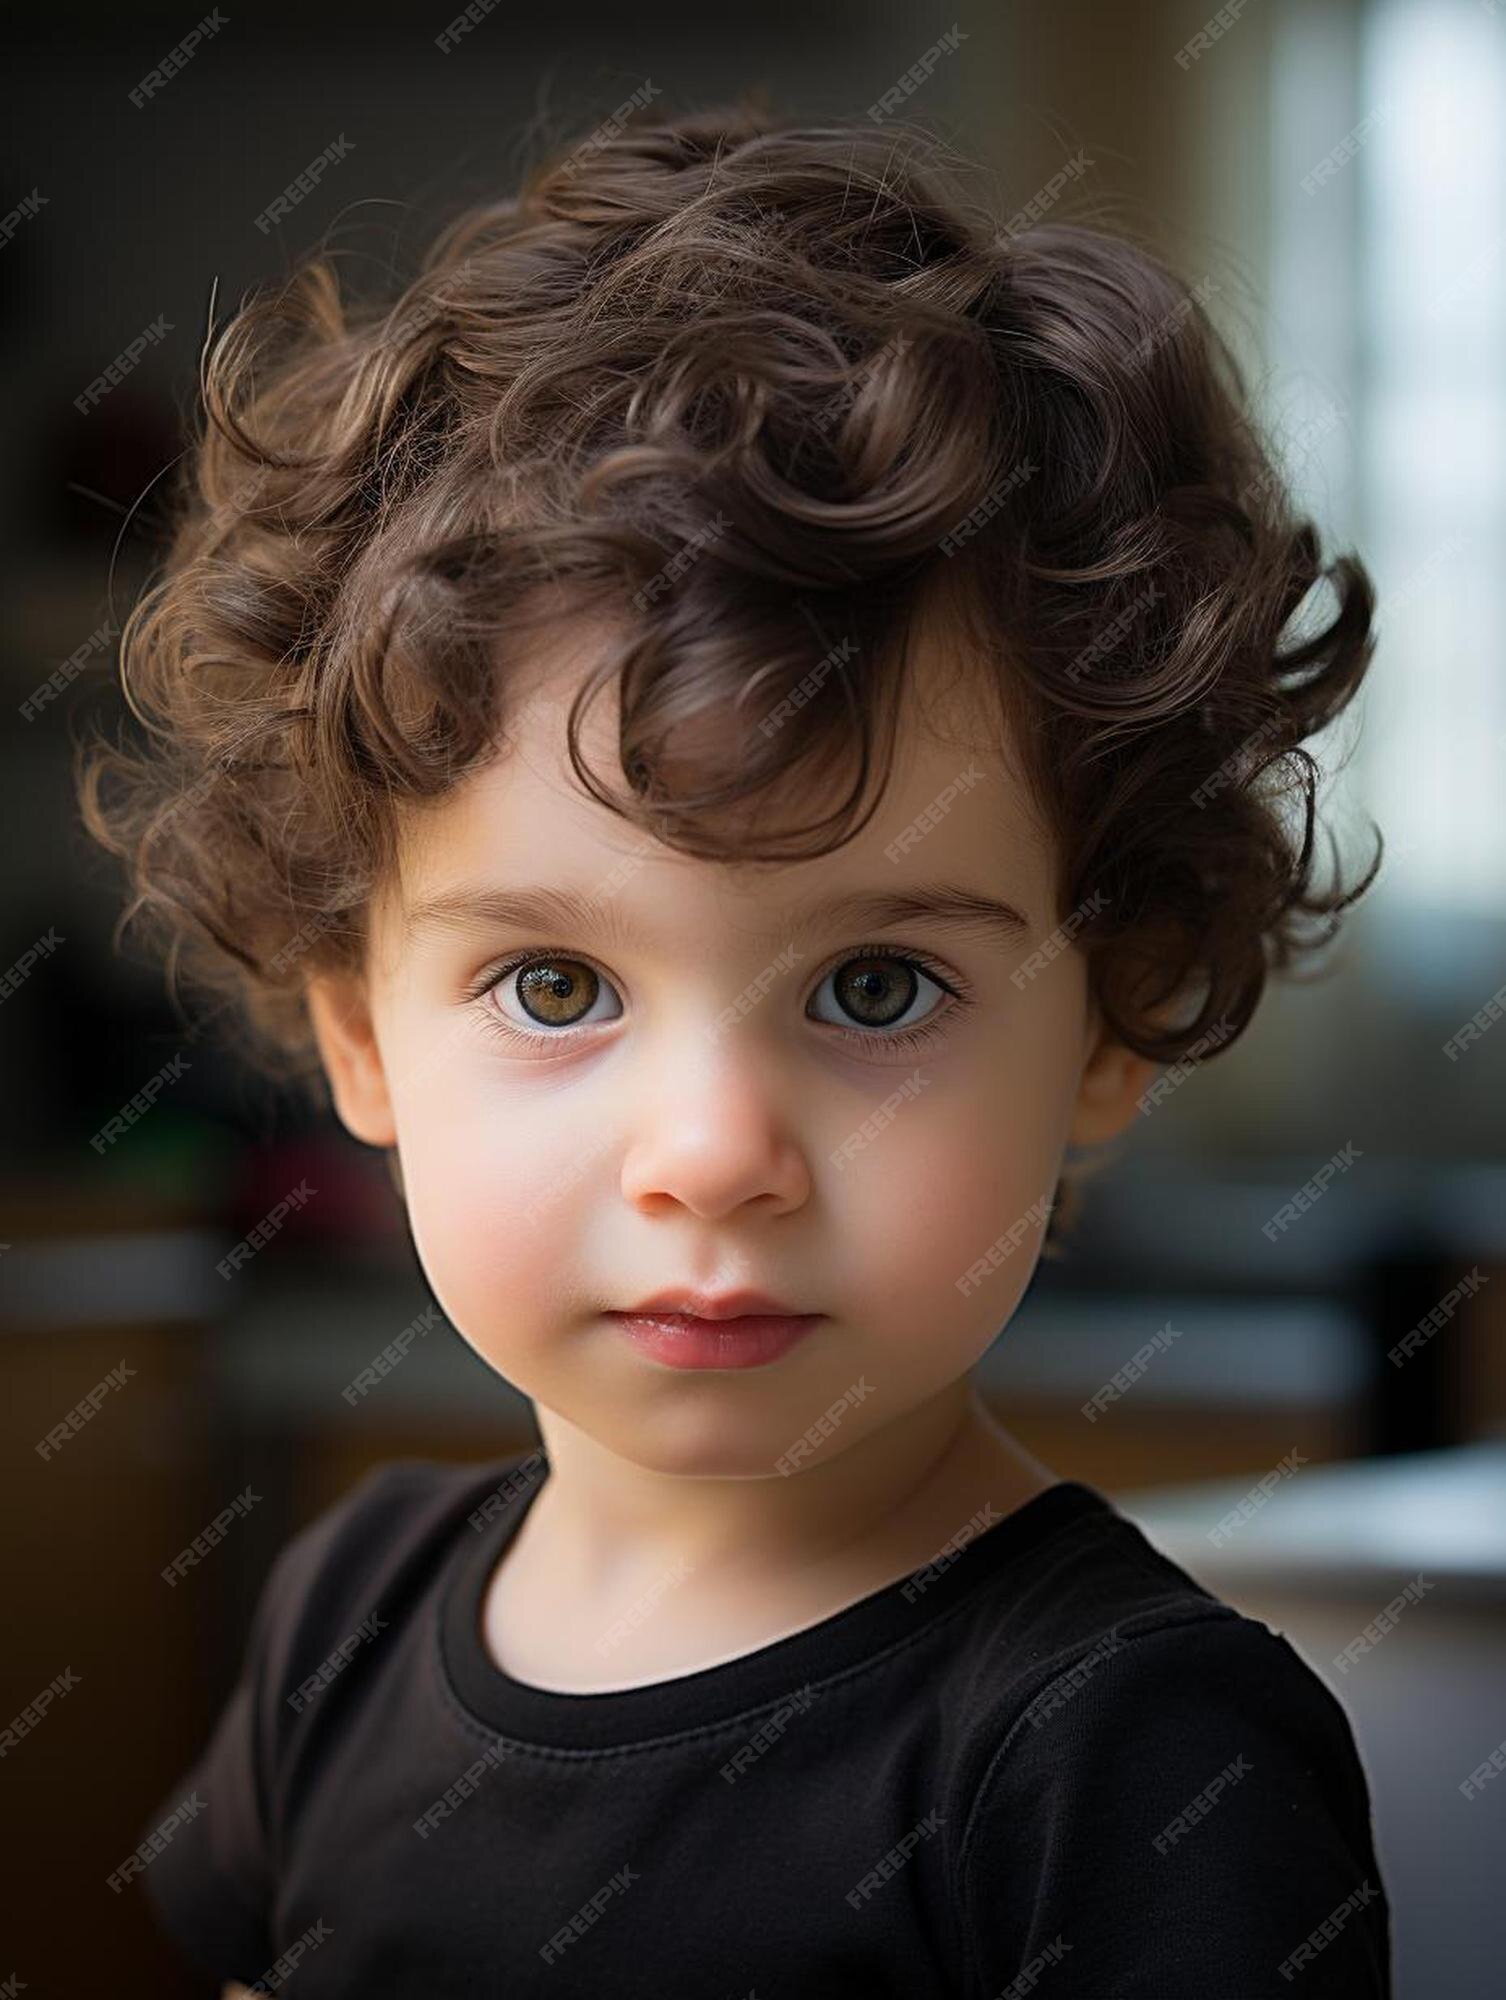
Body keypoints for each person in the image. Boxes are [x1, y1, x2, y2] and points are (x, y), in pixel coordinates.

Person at [79, 100, 1393, 1998]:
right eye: (553, 988)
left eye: (874, 989)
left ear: (1110, 1022)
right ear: (360, 1037)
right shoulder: (341, 1614)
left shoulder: (1133, 1758)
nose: (711, 1152)